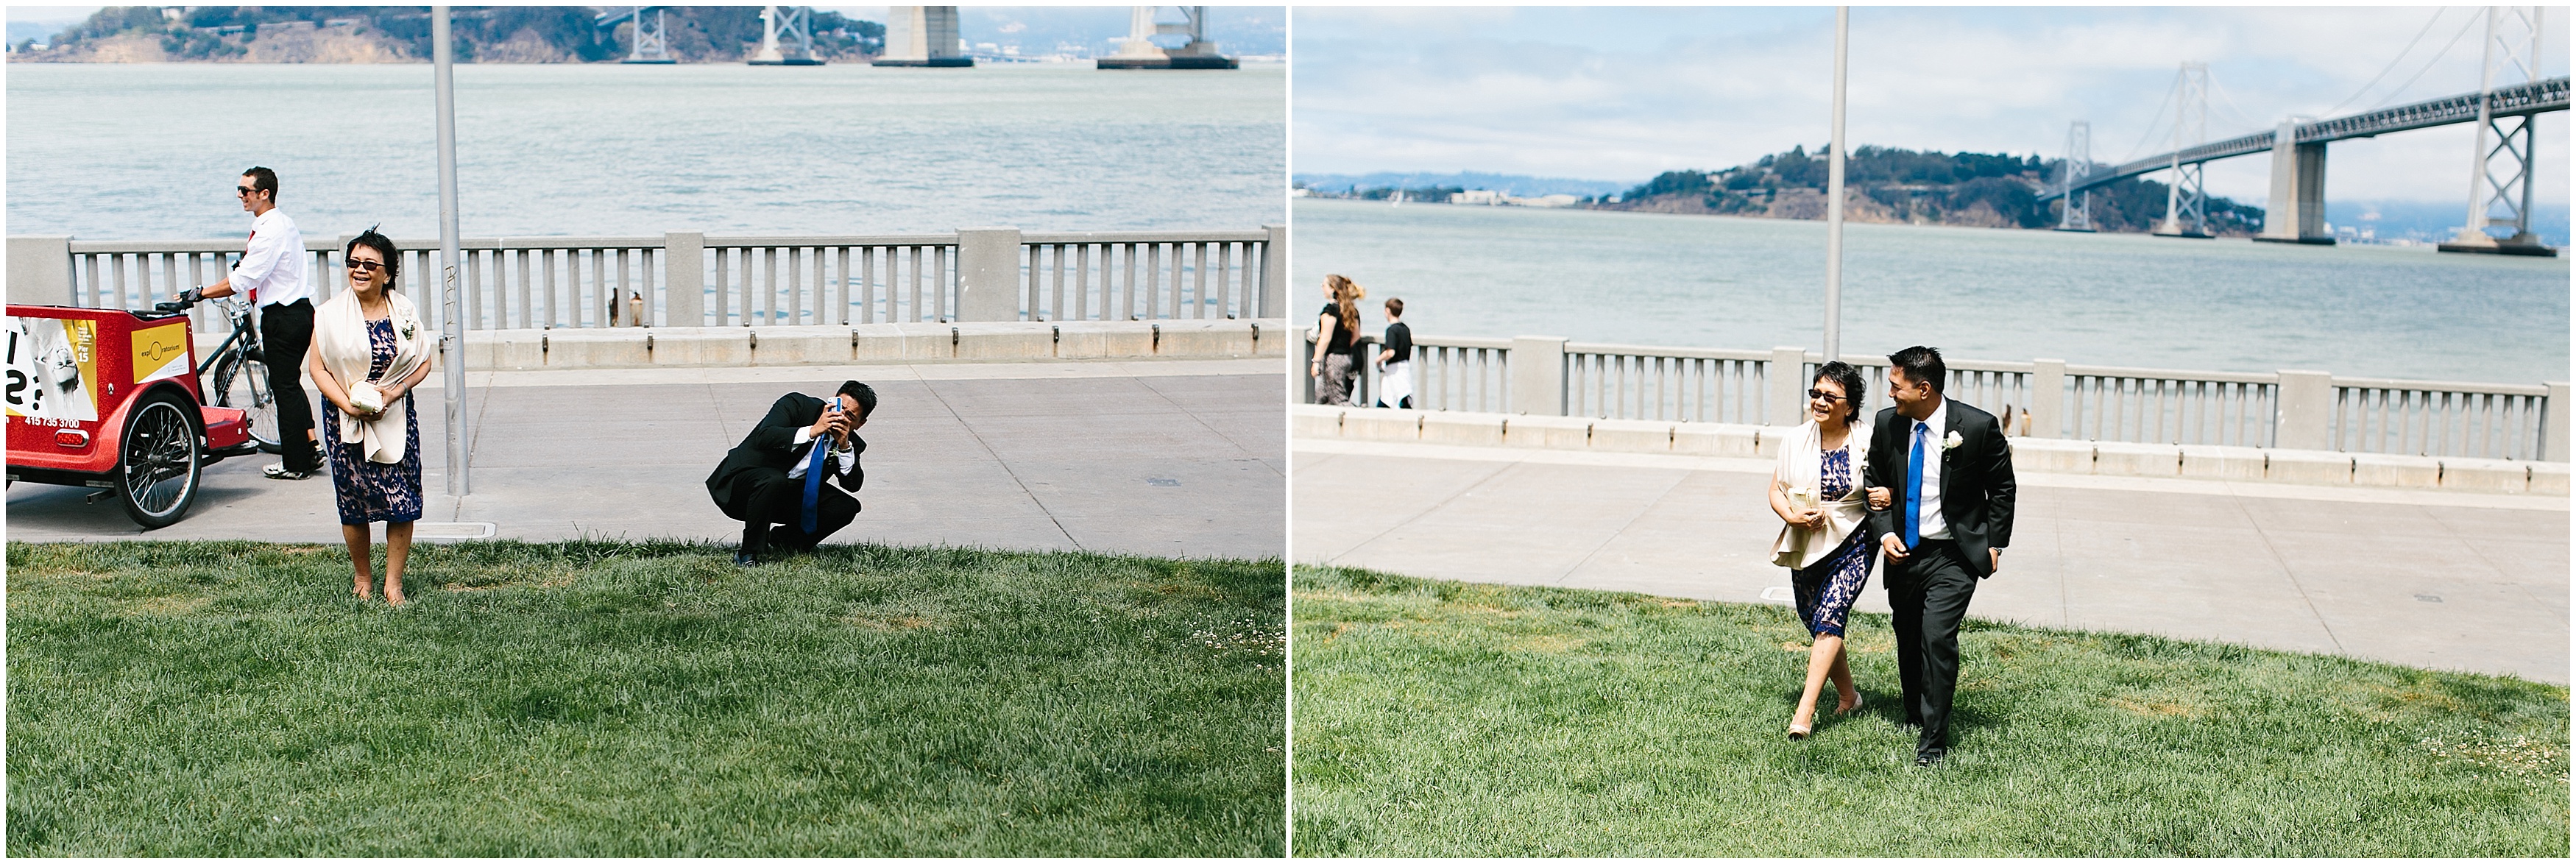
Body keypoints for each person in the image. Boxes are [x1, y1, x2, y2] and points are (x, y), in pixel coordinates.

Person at [1861, 346, 2016, 766]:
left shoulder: (1978, 427)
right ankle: (1915, 713)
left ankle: (1933, 742)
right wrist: (1884, 532)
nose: (1890, 393)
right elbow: (1874, 479)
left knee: (1937, 638)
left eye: (1896, 387)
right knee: (1909, 638)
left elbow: (2002, 488)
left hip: (1954, 555)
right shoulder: (1887, 424)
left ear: (1923, 389)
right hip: (1904, 554)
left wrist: (1996, 543)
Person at [305, 230, 433, 606]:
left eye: (369, 265)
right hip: (345, 417)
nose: (359, 270)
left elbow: (424, 361)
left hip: (394, 415)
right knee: (353, 499)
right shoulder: (328, 315)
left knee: (402, 497)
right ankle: (363, 576)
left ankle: (394, 583)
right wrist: (346, 404)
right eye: (354, 263)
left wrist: (393, 393)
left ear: (387, 274)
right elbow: (317, 368)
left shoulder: (404, 311)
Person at [179, 166, 322, 480]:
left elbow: (246, 278)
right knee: (289, 383)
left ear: (264, 193)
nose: (240, 196)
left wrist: (201, 293)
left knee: (282, 388)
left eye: (246, 190)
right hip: (299, 311)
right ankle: (309, 448)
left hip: (282, 317)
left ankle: (295, 464)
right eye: (239, 190)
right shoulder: (283, 223)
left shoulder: (269, 230)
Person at [1768, 361, 1877, 740]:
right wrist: (1793, 517)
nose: (1819, 401)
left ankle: (1805, 711)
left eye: (1830, 396)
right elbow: (1776, 490)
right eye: (1815, 393)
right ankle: (1849, 697)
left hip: (1855, 540)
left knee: (1831, 619)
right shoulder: (1795, 439)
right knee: (1817, 623)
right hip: (1807, 542)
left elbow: (1885, 488)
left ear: (1849, 406)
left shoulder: (1868, 440)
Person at [707, 381, 875, 567]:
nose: (840, 417)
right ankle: (747, 553)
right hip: (740, 486)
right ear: (832, 401)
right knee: (774, 480)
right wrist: (813, 431)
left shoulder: (851, 444)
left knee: (846, 506)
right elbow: (765, 436)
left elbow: (852, 485)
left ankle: (787, 541)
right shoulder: (797, 405)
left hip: (782, 494)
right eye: (839, 408)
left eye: (850, 416)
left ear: (860, 424)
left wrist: (844, 447)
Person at [1310, 275, 1365, 405]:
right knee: (1322, 396)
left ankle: (1358, 420)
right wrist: (1344, 347)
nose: (1322, 288)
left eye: (1324, 285)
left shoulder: (1331, 310)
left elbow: (1325, 337)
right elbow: (1356, 336)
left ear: (1333, 289)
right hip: (1345, 357)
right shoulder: (1350, 310)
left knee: (1338, 398)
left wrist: (1316, 361)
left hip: (1333, 359)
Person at [1374, 297, 1415, 409]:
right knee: (1401, 397)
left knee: (1391, 399)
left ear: (1388, 311)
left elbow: (1391, 352)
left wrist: (1379, 359)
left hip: (1394, 370)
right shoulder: (1405, 329)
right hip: (1405, 367)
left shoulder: (1392, 330)